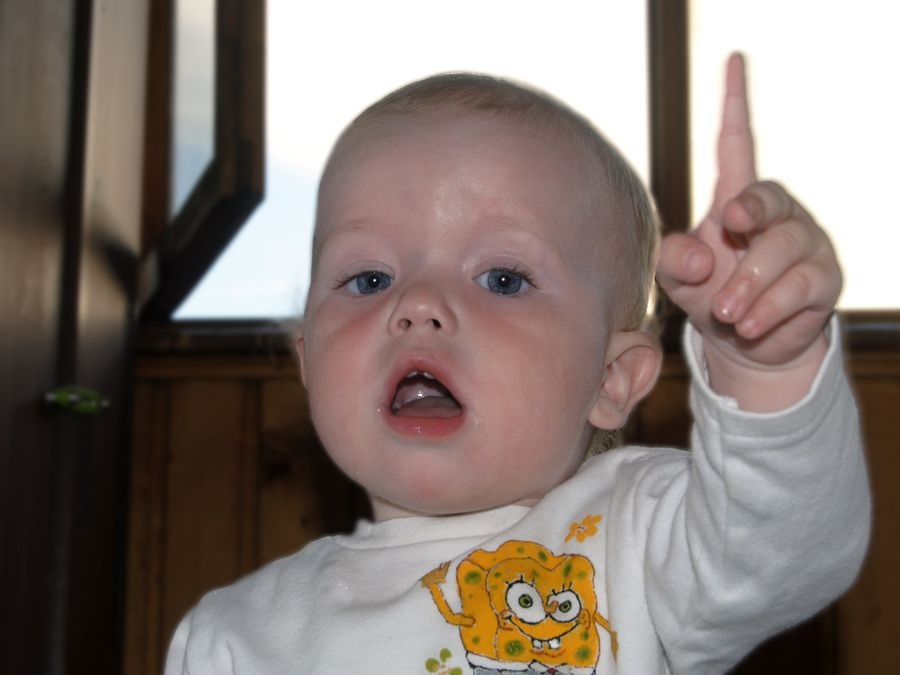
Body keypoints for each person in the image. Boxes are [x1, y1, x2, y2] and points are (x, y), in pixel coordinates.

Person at [165, 54, 870, 674]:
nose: (417, 304)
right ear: (310, 361)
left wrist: (765, 367)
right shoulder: (235, 637)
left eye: (502, 279)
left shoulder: (636, 541)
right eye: (369, 278)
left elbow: (781, 547)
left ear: (611, 378)